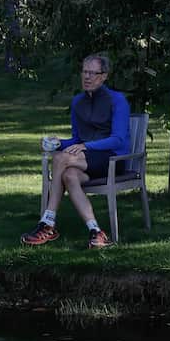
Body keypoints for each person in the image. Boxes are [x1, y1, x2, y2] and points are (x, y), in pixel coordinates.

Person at [22, 53, 130, 249]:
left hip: (113, 159)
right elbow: (76, 139)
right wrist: (57, 143)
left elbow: (118, 139)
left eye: (93, 73)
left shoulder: (117, 100)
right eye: (85, 72)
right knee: (69, 175)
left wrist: (86, 146)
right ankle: (96, 231)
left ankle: (47, 222)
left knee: (60, 160)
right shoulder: (78, 102)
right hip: (85, 160)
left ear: (104, 76)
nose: (87, 77)